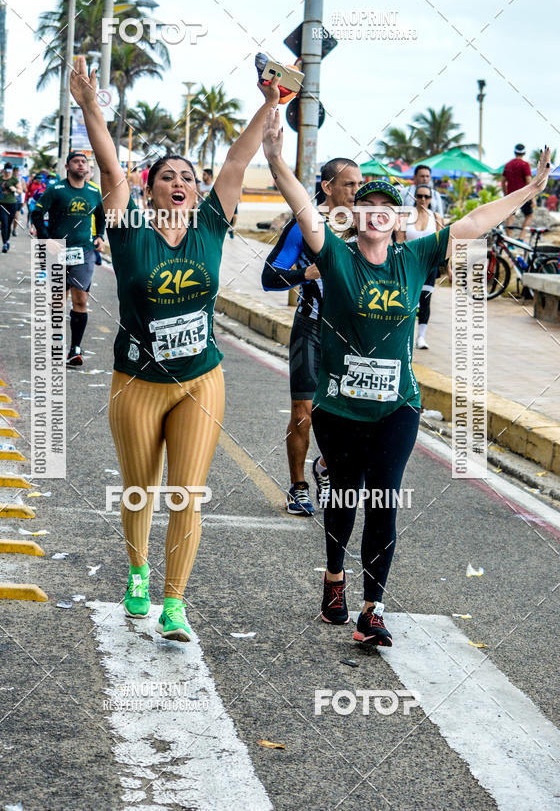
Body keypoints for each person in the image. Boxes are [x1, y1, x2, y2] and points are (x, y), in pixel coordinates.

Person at [262, 105, 550, 647]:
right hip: (338, 407)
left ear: (396, 219)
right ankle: (333, 577)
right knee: (345, 498)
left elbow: (475, 221)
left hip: (398, 406)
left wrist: (527, 190)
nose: (375, 213)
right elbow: (302, 205)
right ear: (354, 216)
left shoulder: (415, 258)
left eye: (385, 207)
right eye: (366, 205)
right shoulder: (336, 256)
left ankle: (372, 609)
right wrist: (277, 159)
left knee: (384, 500)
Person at [69, 54, 281, 642]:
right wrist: (90, 105)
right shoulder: (128, 228)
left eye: (188, 176)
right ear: (150, 188)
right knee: (141, 486)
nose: (181, 183)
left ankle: (174, 601)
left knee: (187, 494)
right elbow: (111, 166)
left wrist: (270, 102)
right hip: (137, 381)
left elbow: (237, 161)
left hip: (200, 379)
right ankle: (137, 571)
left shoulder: (213, 223)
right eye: (169, 176)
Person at [261, 157, 363, 515]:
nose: (356, 191)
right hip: (310, 328)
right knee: (303, 412)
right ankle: (298, 486)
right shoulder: (304, 225)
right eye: (348, 184)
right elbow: (269, 278)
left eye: (358, 183)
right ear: (327, 187)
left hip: (350, 336)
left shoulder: (366, 225)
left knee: (351, 419)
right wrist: (307, 273)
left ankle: (323, 467)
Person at [32, 151, 105, 366]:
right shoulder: (56, 190)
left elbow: (100, 215)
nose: (81, 165)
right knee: (56, 302)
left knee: (80, 300)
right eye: (76, 162)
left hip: (84, 251)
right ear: (67, 166)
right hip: (59, 250)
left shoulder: (94, 191)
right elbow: (36, 214)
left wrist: (99, 236)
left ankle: (75, 349)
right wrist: (46, 240)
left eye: (84, 162)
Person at [396, 183, 445, 349]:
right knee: (407, 300)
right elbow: (399, 241)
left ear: (431, 199)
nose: (423, 199)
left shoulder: (436, 217)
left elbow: (442, 244)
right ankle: (405, 336)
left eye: (426, 197)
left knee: (425, 300)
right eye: (420, 196)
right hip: (409, 264)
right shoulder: (405, 216)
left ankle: (421, 337)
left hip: (429, 265)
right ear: (415, 197)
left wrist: (449, 268)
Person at [501, 143, 533, 239]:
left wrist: (505, 194)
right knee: (529, 215)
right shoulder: (525, 165)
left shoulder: (508, 164)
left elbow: (503, 181)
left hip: (511, 195)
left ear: (514, 152)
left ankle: (510, 240)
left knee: (511, 217)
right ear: (524, 153)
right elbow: (529, 182)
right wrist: (532, 197)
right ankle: (521, 238)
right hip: (523, 196)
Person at [0, 163, 21, 253]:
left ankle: (7, 240)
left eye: (9, 171)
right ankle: (4, 244)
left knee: (9, 224)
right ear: (4, 170)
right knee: (4, 224)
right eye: (6, 171)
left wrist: (15, 189)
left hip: (12, 204)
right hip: (1, 204)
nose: (8, 173)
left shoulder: (14, 179)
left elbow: (20, 190)